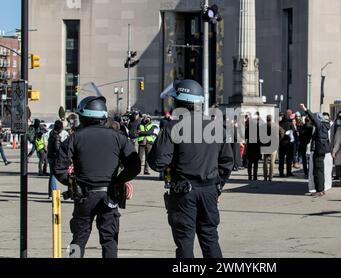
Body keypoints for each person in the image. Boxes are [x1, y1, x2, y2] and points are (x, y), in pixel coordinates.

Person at [148, 79, 234, 258]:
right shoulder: (216, 126)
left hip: (183, 192)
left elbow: (157, 162)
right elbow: (227, 162)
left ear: (178, 102)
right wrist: (218, 187)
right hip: (209, 190)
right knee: (210, 238)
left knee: (185, 241)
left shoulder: (172, 127)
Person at [54, 96, 141, 258]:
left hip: (84, 196)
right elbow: (135, 165)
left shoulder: (75, 138)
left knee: (78, 239)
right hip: (110, 196)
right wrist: (119, 180)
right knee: (109, 240)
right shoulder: (119, 138)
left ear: (83, 117)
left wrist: (73, 183)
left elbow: (59, 169)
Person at [300, 104, 331, 197]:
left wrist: (305, 109)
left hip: (318, 150)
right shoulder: (326, 126)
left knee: (317, 171)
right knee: (321, 171)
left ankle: (319, 190)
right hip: (323, 150)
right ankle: (322, 189)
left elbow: (313, 118)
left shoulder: (320, 125)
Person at [47, 120, 64, 198]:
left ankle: (51, 192)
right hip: (54, 157)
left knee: (52, 175)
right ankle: (52, 193)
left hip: (50, 156)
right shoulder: (56, 136)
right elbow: (57, 148)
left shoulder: (51, 133)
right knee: (53, 175)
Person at [246, 113, 261, 181]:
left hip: (250, 145)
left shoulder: (248, 128)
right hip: (256, 146)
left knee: (250, 162)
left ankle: (249, 176)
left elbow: (245, 136)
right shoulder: (258, 128)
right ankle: (255, 176)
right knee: (255, 162)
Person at [262, 115, 277, 181]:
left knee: (265, 161)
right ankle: (270, 177)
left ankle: (265, 177)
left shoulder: (263, 126)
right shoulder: (275, 126)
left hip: (265, 144)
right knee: (272, 162)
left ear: (266, 119)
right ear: (271, 119)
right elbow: (282, 132)